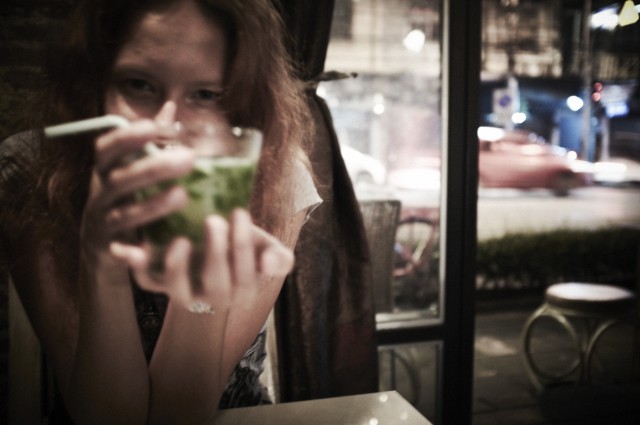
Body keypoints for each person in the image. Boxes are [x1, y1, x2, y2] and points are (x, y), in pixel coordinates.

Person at [0, 0, 321, 424]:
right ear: (94, 82)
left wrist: (203, 233)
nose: (167, 126)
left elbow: (179, 412)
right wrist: (102, 258)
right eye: (140, 85)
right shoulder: (32, 171)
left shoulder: (276, 174)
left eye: (206, 94)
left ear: (244, 105)